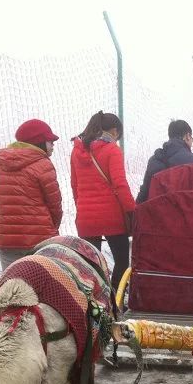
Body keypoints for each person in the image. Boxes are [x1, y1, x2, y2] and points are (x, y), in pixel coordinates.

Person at [70, 111, 135, 298]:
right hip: (112, 217)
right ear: (114, 131)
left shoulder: (77, 151)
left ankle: (94, 301)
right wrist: (132, 211)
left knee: (91, 265)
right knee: (122, 262)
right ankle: (115, 298)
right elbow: (120, 185)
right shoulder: (112, 150)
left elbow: (75, 186)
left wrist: (83, 208)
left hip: (86, 217)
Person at [0, 119, 62, 269]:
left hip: (6, 238)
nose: (53, 145)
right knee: (41, 286)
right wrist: (53, 228)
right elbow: (54, 205)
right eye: (50, 141)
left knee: (11, 286)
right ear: (39, 142)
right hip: (39, 239)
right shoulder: (43, 164)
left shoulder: (0, 164)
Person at [136, 120, 193, 204]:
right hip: (185, 213)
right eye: (192, 138)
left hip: (159, 213)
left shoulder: (154, 160)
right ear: (188, 136)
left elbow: (144, 193)